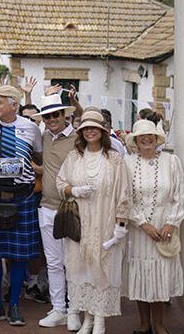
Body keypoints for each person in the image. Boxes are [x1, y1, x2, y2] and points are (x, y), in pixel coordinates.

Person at [57, 111, 131, 334]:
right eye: (86, 128)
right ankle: (87, 318)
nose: (90, 131)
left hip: (105, 220)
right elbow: (60, 183)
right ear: (80, 132)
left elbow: (124, 192)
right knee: (83, 269)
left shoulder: (114, 159)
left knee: (102, 268)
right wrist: (73, 190)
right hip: (80, 223)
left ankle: (100, 320)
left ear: (102, 131)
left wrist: (120, 224)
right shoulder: (74, 157)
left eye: (94, 128)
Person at [0, 84, 43, 326]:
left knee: (19, 255)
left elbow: (39, 155)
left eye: (0, 101)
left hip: (23, 197)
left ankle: (14, 304)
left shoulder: (31, 128)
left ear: (14, 104)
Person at [123, 117, 184, 334]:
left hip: (165, 228)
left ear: (157, 138)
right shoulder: (128, 162)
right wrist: (142, 224)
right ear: (136, 140)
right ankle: (144, 324)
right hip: (139, 230)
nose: (146, 139)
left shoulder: (171, 161)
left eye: (150, 135)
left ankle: (159, 324)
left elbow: (180, 195)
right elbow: (125, 198)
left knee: (159, 277)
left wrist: (171, 222)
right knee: (141, 274)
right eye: (141, 136)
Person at [29, 93, 81, 330]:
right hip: (47, 207)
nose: (51, 119)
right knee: (53, 262)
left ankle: (74, 309)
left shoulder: (78, 139)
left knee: (74, 262)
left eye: (55, 115)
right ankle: (59, 308)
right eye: (47, 116)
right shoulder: (45, 137)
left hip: (73, 208)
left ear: (64, 115)